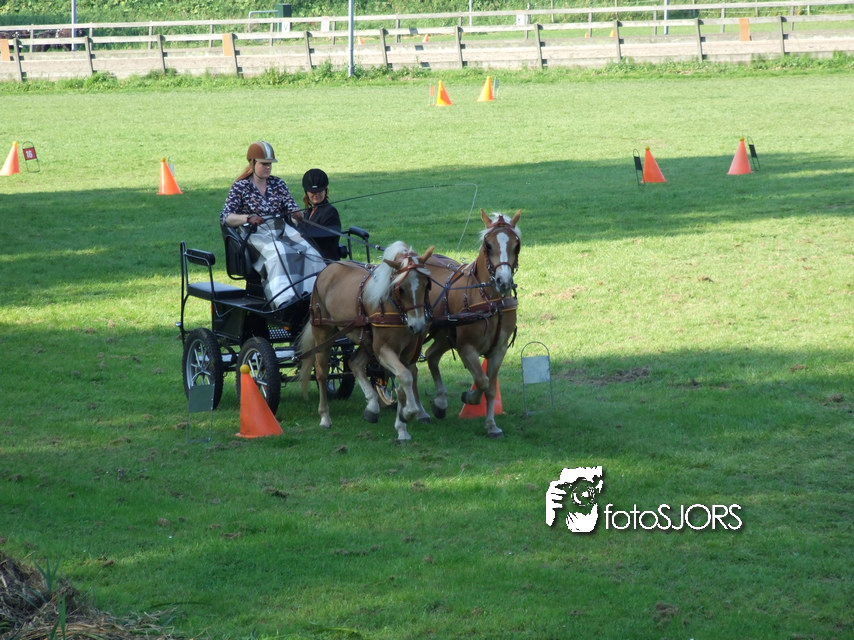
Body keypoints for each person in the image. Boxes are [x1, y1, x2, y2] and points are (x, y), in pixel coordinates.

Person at [220, 141, 324, 308]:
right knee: (279, 253)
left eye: (270, 164)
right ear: (252, 163)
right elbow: (226, 217)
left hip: (281, 229)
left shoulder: (278, 184)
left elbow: (291, 208)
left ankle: (313, 296)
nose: (268, 167)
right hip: (255, 234)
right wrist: (248, 218)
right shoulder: (240, 187)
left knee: (310, 252)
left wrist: (297, 215)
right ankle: (284, 301)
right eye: (264, 164)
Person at [297, 168, 343, 262]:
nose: (316, 195)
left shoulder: (330, 212)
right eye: (312, 192)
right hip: (308, 259)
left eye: (320, 191)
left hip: (325, 262)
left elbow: (328, 234)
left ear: (325, 191)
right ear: (306, 192)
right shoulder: (307, 212)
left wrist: (300, 233)